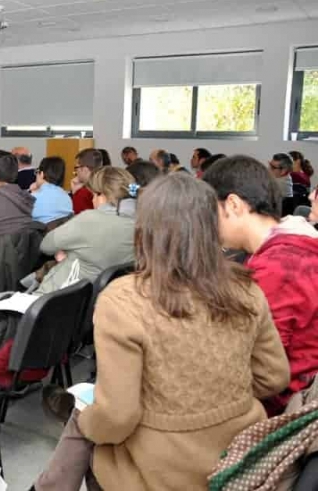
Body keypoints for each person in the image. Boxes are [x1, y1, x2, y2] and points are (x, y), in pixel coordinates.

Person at [33, 173, 290, 491]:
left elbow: (117, 418)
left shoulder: (124, 299)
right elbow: (275, 377)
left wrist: (87, 421)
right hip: (238, 462)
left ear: (145, 230)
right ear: (213, 227)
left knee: (85, 422)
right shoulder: (246, 288)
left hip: (156, 471)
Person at [203, 155, 318, 415]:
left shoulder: (279, 265)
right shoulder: (292, 243)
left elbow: (259, 363)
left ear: (233, 204)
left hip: (281, 408)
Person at [36, 167, 136, 294]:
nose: (93, 200)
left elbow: (46, 245)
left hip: (55, 296)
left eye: (94, 195)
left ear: (103, 195)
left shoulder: (90, 219)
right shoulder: (142, 222)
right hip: (99, 298)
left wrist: (69, 251)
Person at [30, 156, 73, 225]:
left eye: (37, 171)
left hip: (41, 234)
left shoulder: (33, 198)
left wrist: (30, 192)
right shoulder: (67, 197)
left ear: (42, 174)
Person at [71, 148, 103, 214]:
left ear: (85, 169)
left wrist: (75, 194)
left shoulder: (82, 193)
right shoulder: (106, 185)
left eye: (76, 168)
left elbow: (78, 221)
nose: (75, 172)